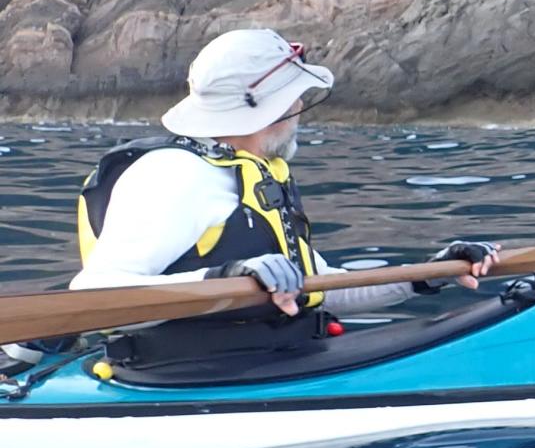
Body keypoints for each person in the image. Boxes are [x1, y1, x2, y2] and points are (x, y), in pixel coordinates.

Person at [58, 28, 497, 365]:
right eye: (295, 101)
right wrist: (227, 276)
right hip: (187, 378)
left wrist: (430, 273)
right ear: (267, 111)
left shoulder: (253, 174)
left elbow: (324, 287)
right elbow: (97, 296)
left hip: (277, 361)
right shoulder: (175, 175)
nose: (298, 111)